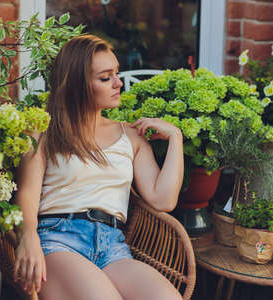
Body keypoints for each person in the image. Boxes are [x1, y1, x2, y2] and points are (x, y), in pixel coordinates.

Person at [14, 34, 184, 300]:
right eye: (106, 78)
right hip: (59, 239)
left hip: (112, 247)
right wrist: (28, 238)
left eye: (116, 73)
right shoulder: (45, 133)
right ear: (78, 85)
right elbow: (26, 194)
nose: (118, 83)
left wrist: (176, 137)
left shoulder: (131, 137)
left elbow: (163, 199)